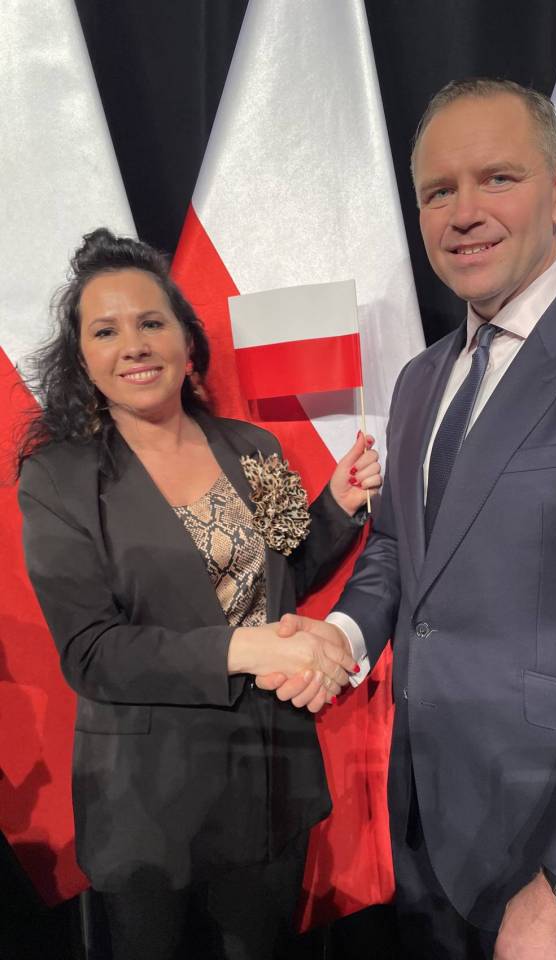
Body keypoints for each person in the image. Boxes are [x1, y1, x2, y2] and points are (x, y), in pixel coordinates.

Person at [259, 78, 556, 959]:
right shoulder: (420, 379)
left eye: (497, 178)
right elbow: (399, 546)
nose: (464, 212)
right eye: (439, 191)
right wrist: (345, 635)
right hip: (426, 825)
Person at [17, 227, 380, 960]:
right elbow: (93, 653)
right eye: (106, 330)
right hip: (151, 806)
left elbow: (290, 572)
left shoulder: (255, 448)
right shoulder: (57, 480)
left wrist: (339, 505)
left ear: (187, 342)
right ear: (82, 359)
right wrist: (244, 650)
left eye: (152, 322)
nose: (134, 345)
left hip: (270, 778)